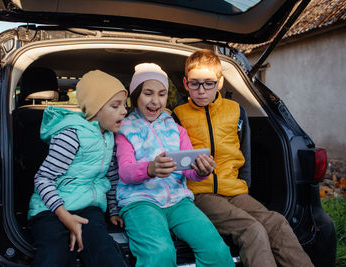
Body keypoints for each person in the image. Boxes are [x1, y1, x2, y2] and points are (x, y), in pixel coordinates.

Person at [172, 49, 314, 267]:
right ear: (185, 83)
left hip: (235, 191)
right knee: (251, 229)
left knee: (276, 222)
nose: (201, 90)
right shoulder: (178, 115)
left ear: (219, 83)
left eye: (208, 83)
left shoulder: (236, 111)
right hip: (200, 193)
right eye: (195, 83)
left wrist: (244, 186)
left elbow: (245, 155)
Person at [114, 63, 234, 267]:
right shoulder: (124, 128)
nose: (155, 101)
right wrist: (150, 169)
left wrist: (201, 171)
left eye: (162, 94)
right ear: (135, 96)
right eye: (148, 93)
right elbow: (125, 171)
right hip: (140, 201)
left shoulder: (176, 128)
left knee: (216, 249)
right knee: (160, 252)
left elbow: (188, 170)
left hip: (179, 201)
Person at [27, 70, 128, 267]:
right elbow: (42, 179)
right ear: (94, 109)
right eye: (115, 106)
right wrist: (66, 218)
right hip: (51, 209)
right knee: (53, 256)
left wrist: (114, 211)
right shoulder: (71, 136)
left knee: (106, 254)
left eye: (124, 104)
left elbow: (112, 176)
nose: (124, 111)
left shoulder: (109, 136)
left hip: (88, 207)